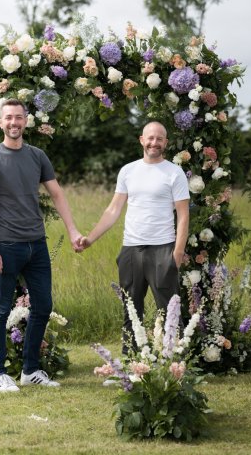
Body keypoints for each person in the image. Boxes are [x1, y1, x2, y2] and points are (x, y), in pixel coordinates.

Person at [0, 98, 82, 392]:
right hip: (6, 245)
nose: (13, 123)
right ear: (0, 122)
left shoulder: (37, 156)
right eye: (8, 118)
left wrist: (73, 231)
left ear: (26, 121)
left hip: (37, 244)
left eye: (18, 117)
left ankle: (30, 370)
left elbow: (58, 194)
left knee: (44, 305)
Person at [79, 121, 190, 353]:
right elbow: (113, 210)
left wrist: (177, 253)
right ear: (141, 140)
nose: (154, 142)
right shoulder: (128, 171)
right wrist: (90, 239)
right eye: (150, 138)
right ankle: (132, 365)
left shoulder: (174, 172)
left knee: (168, 312)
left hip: (163, 249)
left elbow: (183, 215)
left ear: (165, 143)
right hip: (131, 250)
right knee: (131, 311)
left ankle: (176, 365)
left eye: (159, 139)